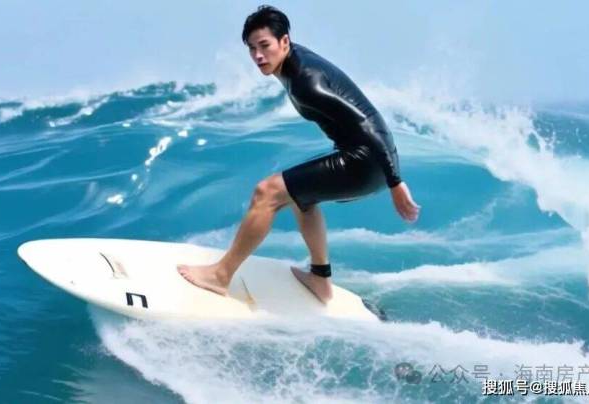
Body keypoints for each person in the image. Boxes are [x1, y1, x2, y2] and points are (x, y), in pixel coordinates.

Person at [177, 5, 420, 304]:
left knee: (267, 192)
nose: (258, 56)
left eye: (264, 45)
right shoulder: (292, 61)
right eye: (252, 49)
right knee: (299, 195)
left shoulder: (307, 83)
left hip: (366, 161)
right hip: (368, 159)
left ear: (285, 42)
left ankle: (220, 276)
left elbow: (365, 124)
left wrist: (395, 182)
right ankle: (320, 279)